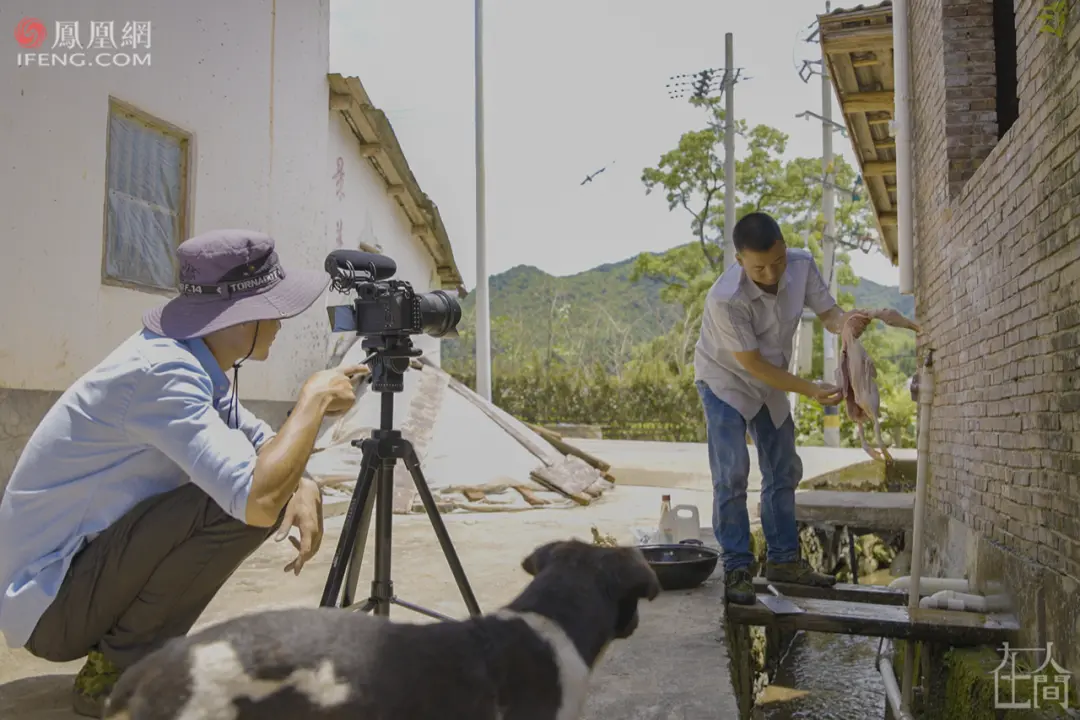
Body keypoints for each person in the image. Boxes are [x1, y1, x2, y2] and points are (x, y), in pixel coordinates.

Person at [0, 229, 368, 717]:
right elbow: (255, 498)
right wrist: (314, 400)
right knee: (234, 503)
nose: (279, 323)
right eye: (272, 310)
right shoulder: (163, 372)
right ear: (237, 317)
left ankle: (131, 656)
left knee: (264, 483)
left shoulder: (193, 361)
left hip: (73, 580)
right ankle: (120, 670)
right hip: (51, 606)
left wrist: (302, 479)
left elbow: (259, 440)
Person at [694, 212, 913, 605]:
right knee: (732, 472)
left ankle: (783, 561)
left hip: (773, 379)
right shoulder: (726, 299)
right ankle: (738, 566)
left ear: (783, 245)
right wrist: (810, 389)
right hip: (726, 381)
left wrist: (848, 323)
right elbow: (752, 365)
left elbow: (829, 314)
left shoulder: (801, 264)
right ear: (739, 259)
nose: (770, 272)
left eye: (776, 261)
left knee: (783, 468)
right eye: (758, 266)